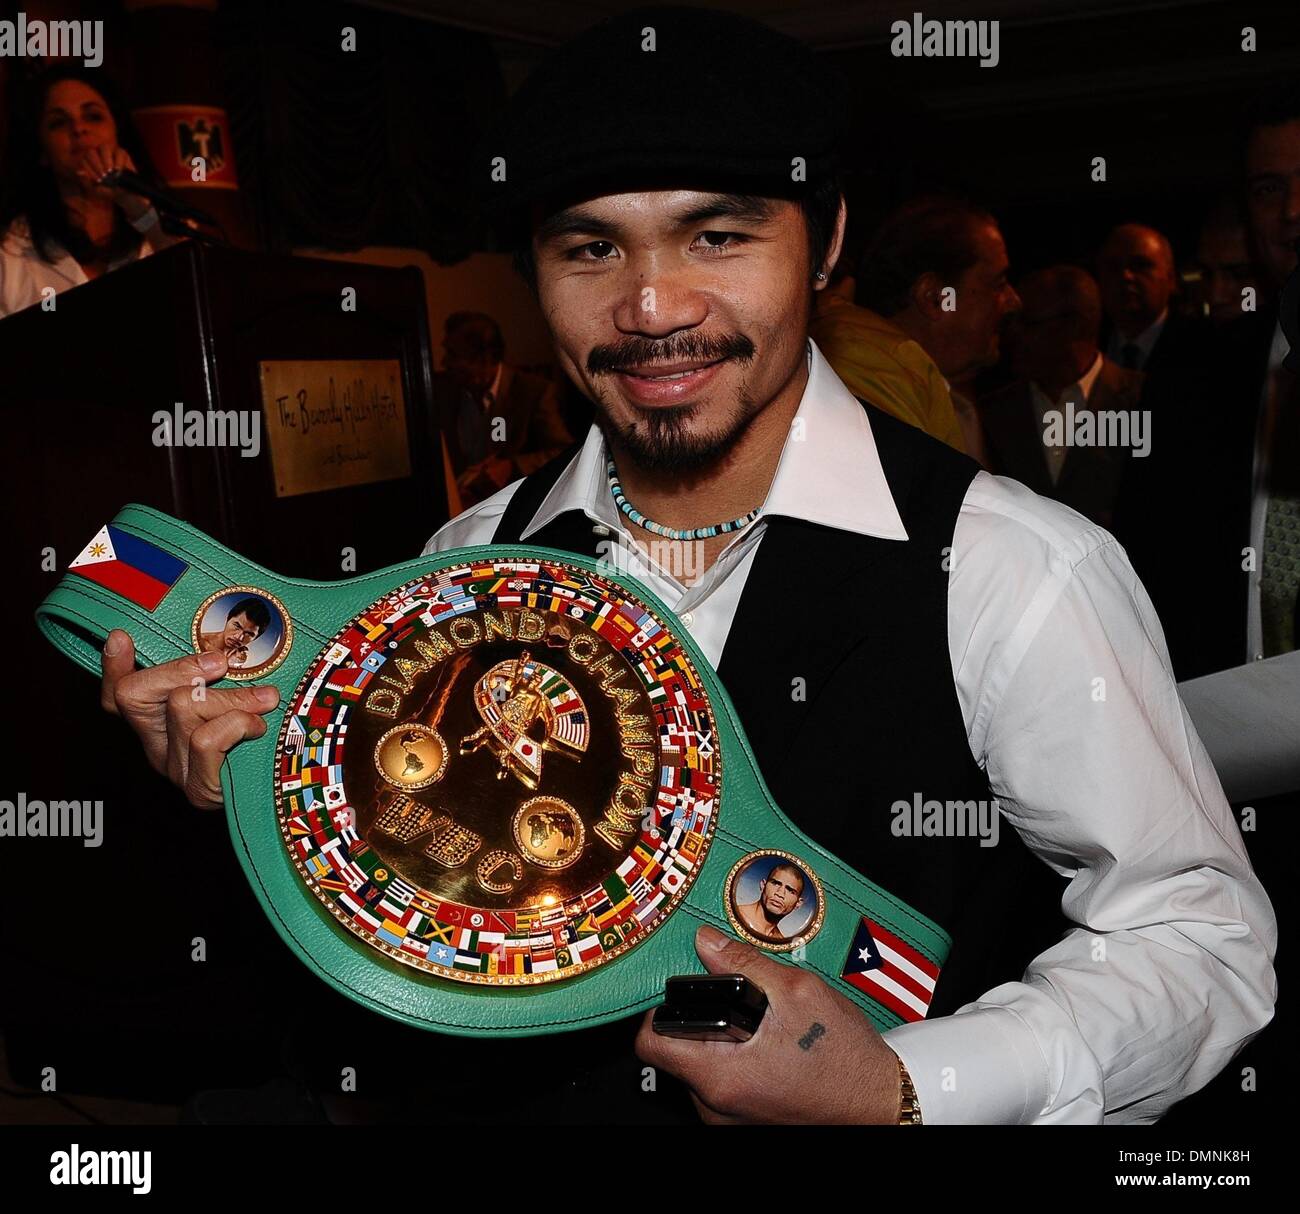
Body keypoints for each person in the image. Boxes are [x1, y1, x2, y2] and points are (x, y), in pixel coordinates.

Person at [98, 7, 1275, 1125]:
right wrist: (258, 795)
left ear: (829, 244)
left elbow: (1198, 935)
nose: (653, 306)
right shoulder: (463, 561)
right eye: (589, 246)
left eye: (718, 234)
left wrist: (909, 1086)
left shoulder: (1015, 567)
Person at [811, 196, 1019, 464]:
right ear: (934, 297)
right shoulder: (867, 373)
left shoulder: (960, 400)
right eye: (998, 283)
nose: (1014, 300)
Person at [0, 67, 187, 320]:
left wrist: (139, 208)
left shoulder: (163, 229)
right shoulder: (10, 251)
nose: (79, 129)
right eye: (59, 122)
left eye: (93, 116)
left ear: (117, 131)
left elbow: (197, 291)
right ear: (42, 150)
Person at [983, 266, 1143, 527]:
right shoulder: (990, 411)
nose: (1011, 335)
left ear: (1074, 326)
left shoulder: (1144, 399)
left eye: (1026, 322)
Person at [434, 311, 575, 506]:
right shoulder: (444, 392)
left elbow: (563, 452)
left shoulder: (533, 391)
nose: (444, 363)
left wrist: (512, 466)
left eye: (454, 355)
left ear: (485, 359)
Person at [735, 864, 805, 942]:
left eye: (790, 890)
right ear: (763, 885)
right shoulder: (738, 914)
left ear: (798, 903)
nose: (780, 894)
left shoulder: (780, 940)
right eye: (775, 883)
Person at [197, 597, 270, 660]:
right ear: (228, 619)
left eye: (249, 634)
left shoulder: (242, 657)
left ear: (256, 638)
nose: (238, 637)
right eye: (237, 626)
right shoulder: (200, 641)